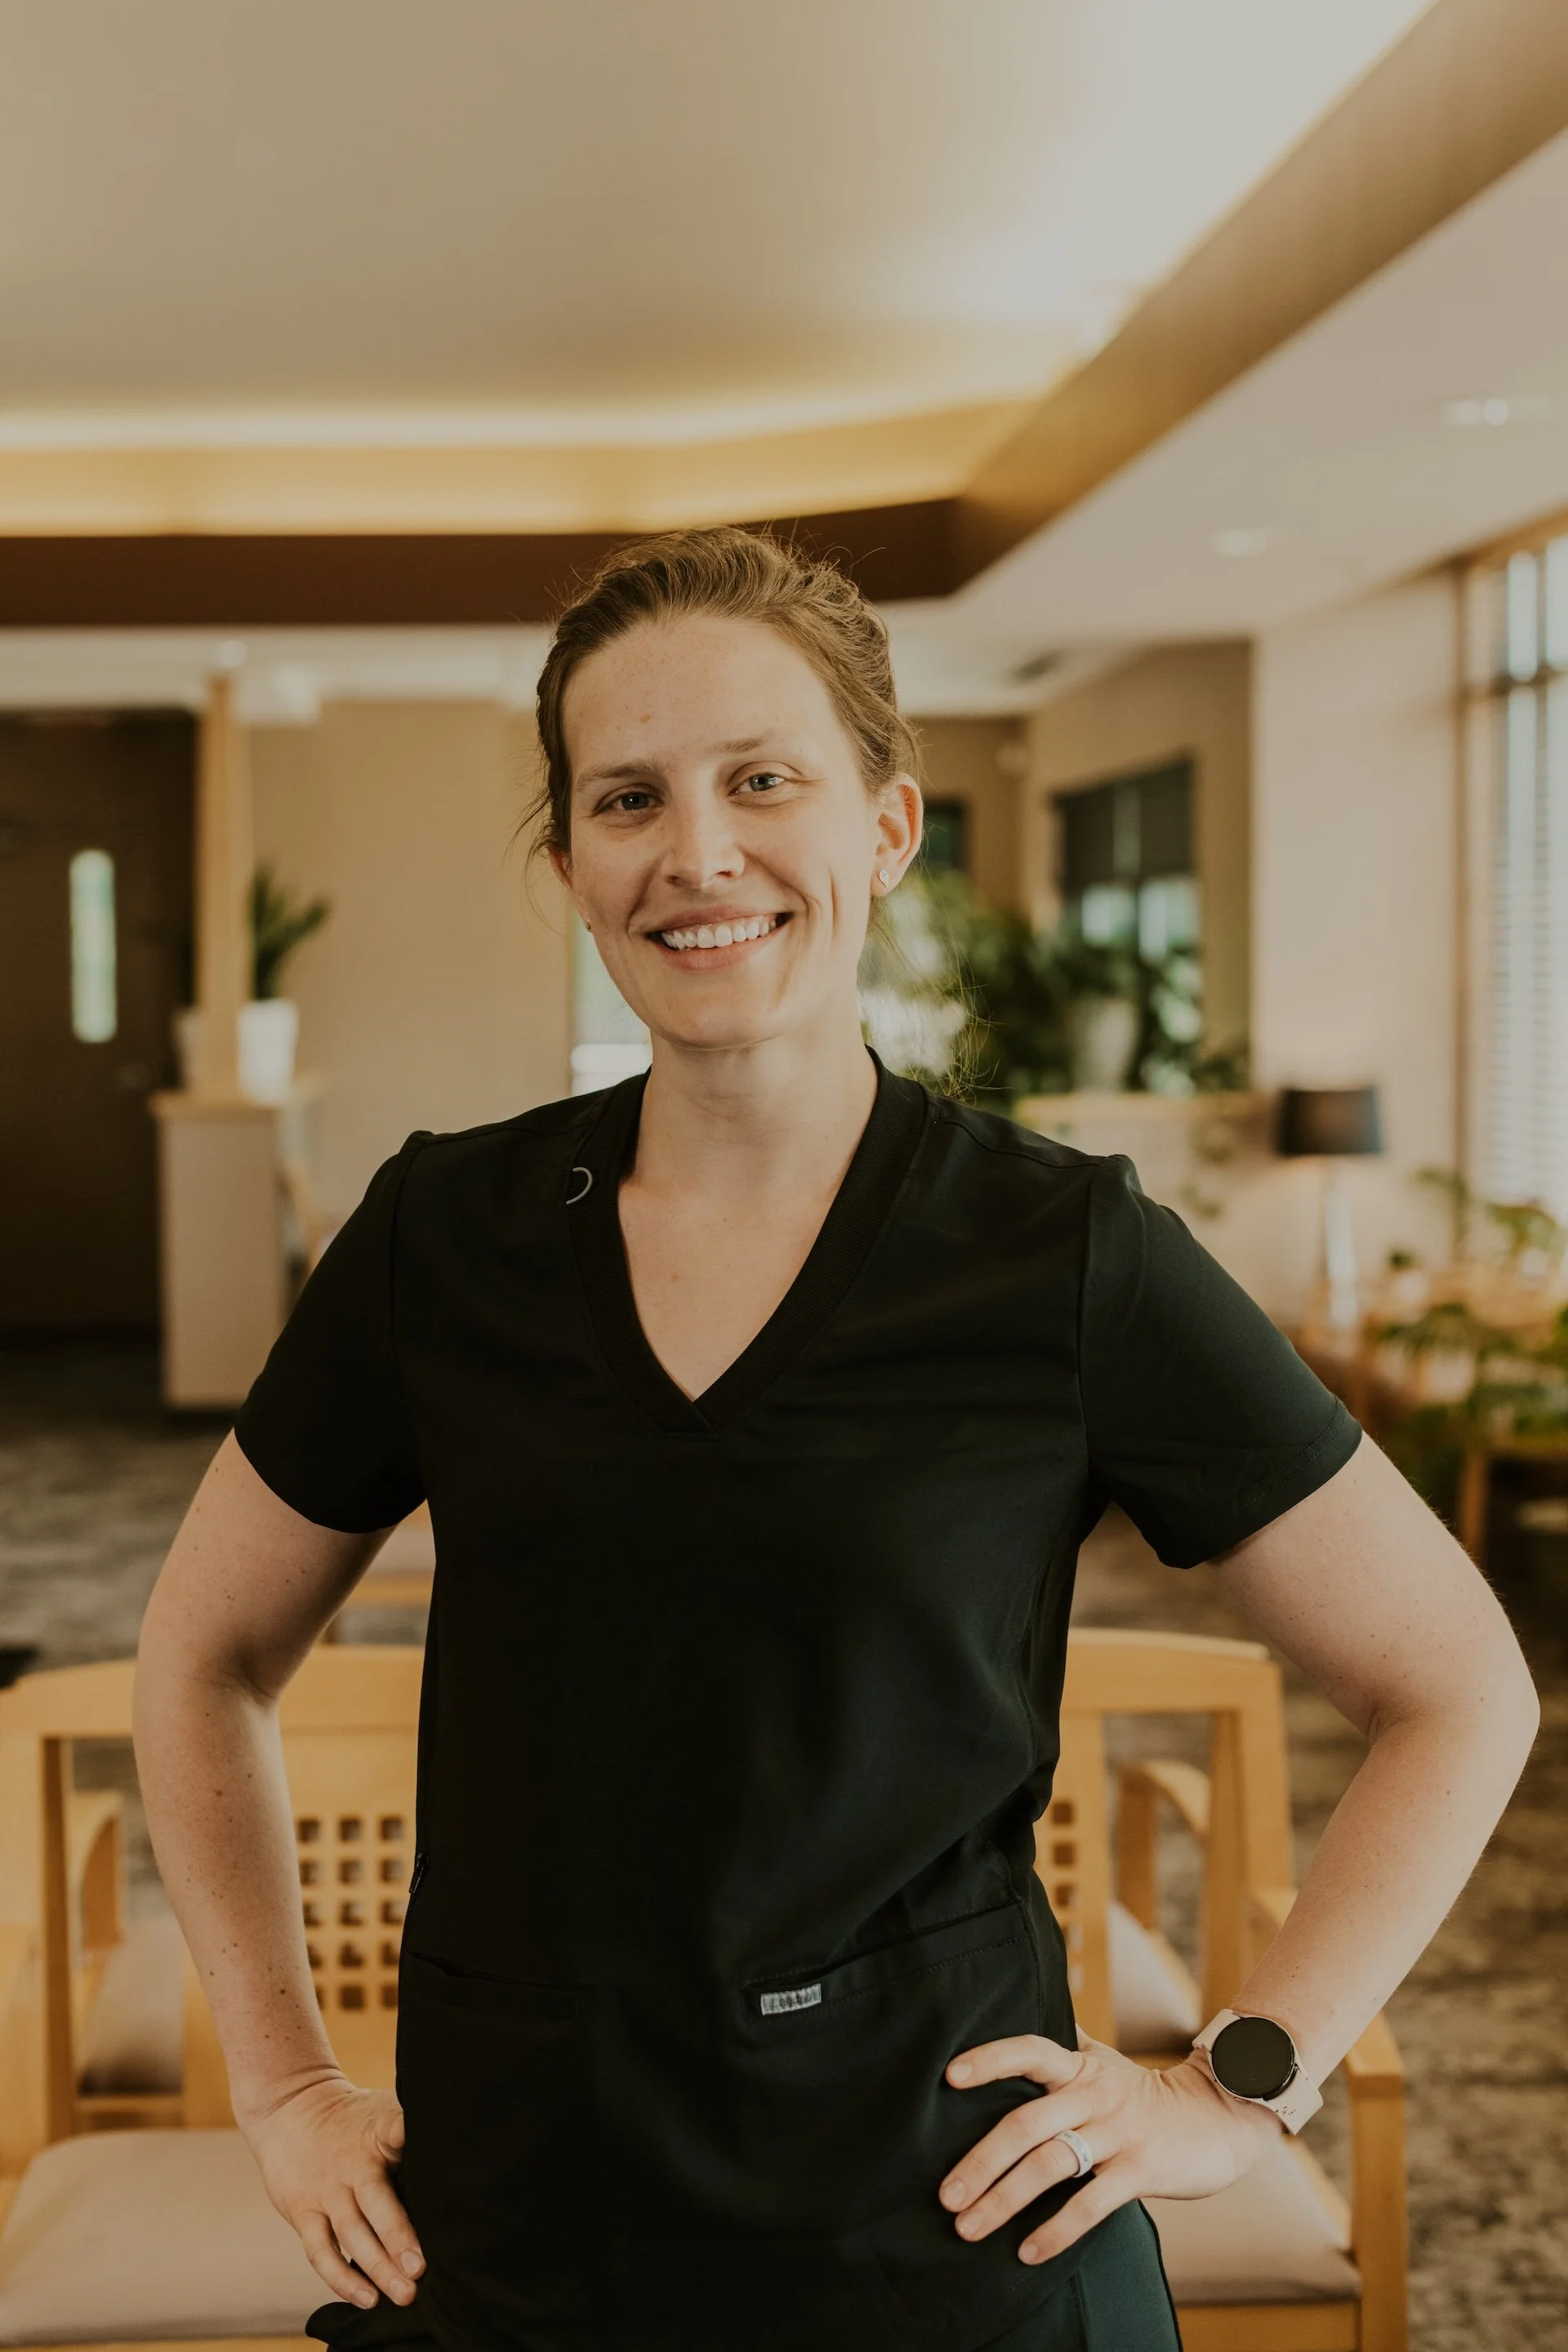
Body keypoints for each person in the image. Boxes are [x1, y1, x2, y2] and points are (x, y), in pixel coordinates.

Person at [135, 527, 1539, 2352]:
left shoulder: (1064, 1252)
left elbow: (1462, 1685)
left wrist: (1240, 2081)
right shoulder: (439, 1239)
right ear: (568, 864)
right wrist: (281, 2077)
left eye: (762, 780)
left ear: (886, 827)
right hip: (522, 2223)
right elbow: (201, 1653)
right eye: (627, 797)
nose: (697, 853)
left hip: (948, 2233)